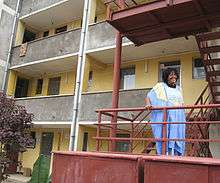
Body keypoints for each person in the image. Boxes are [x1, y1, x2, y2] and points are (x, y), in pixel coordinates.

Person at [145, 67, 186, 156]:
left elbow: (181, 103)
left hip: (178, 116)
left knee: (177, 136)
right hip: (166, 115)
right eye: (171, 75)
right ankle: (166, 154)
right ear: (166, 76)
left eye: (175, 74)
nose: (173, 76)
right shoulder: (160, 86)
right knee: (166, 135)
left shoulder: (179, 89)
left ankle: (176, 155)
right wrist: (148, 104)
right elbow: (148, 96)